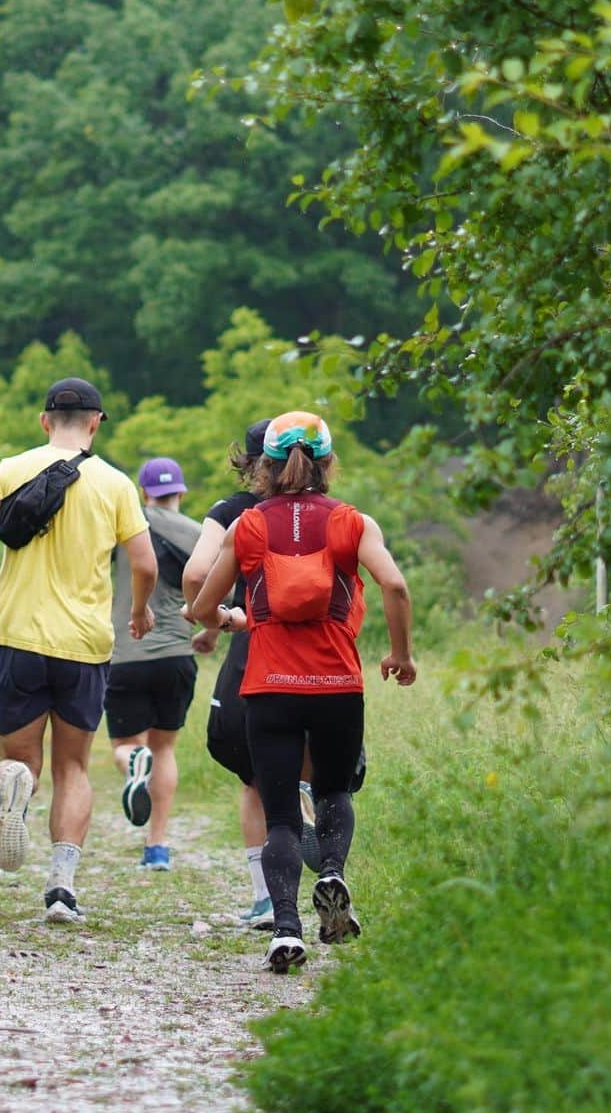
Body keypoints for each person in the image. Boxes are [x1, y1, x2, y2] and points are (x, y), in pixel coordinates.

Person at [191, 410, 416, 973]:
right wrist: (400, 653)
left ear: (265, 466)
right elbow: (395, 584)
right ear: (327, 462)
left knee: (284, 818)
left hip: (268, 688)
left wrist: (232, 619)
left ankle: (285, 930)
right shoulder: (353, 523)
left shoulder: (249, 526)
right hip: (338, 684)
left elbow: (199, 606)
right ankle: (334, 873)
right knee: (335, 793)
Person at [0, 377, 157, 924]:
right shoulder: (115, 484)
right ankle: (62, 885)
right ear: (96, 422)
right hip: (84, 644)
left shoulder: (9, 468)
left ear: (45, 421)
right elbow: (145, 564)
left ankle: (14, 784)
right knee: (73, 767)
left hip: (17, 635)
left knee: (20, 760)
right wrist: (138, 610)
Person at [182, 421, 324, 929]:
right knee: (310, 768)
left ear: (252, 462)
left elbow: (197, 575)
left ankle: (267, 899)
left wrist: (215, 617)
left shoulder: (233, 512)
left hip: (256, 648)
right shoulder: (328, 512)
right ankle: (317, 836)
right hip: (323, 657)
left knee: (253, 778)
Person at [105, 457, 203, 871]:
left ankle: (132, 763)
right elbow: (226, 590)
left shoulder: (128, 526)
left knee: (126, 745)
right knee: (164, 748)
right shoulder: (201, 534)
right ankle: (157, 847)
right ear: (180, 491)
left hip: (126, 653)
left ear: (143, 493)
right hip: (177, 655)